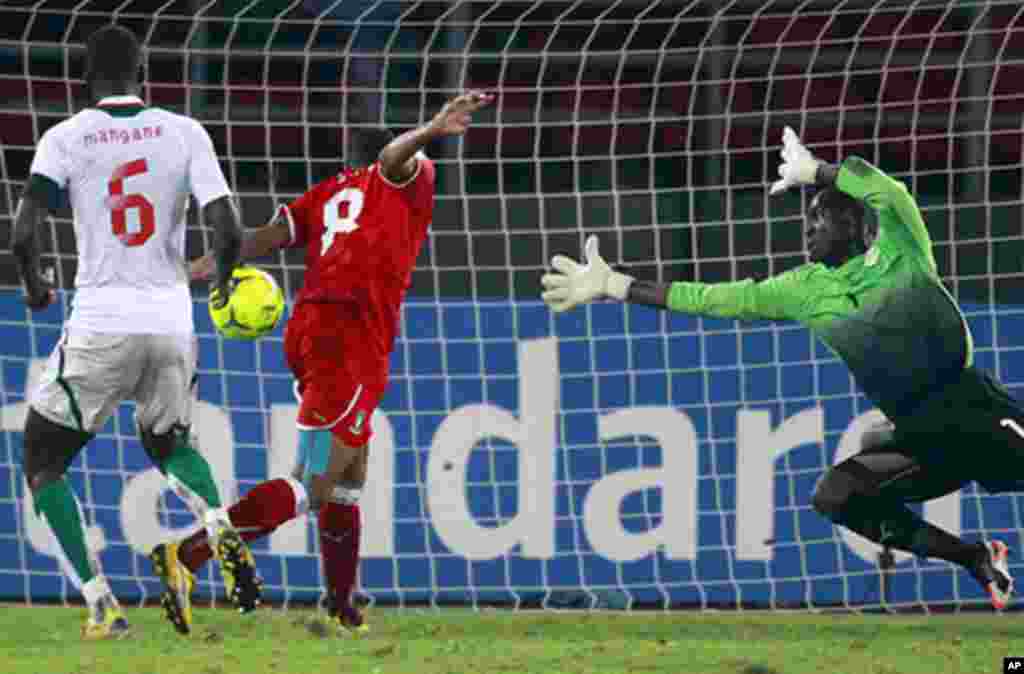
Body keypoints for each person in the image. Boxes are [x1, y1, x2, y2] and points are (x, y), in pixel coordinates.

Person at [541, 126, 1016, 610]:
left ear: (855, 226)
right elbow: (712, 300)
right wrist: (615, 284)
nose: (808, 229)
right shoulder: (801, 290)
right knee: (836, 495)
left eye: (820, 219)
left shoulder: (903, 252)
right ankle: (973, 557)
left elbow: (889, 191)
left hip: (975, 410)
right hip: (923, 436)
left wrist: (817, 172)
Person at [149, 91, 495, 636]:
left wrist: (197, 268)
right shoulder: (405, 176)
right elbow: (394, 162)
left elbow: (260, 238)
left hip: (316, 332)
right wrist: (429, 131)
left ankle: (340, 604)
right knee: (311, 482)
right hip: (348, 337)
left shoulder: (330, 191)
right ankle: (188, 554)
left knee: (348, 476)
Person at [11, 24, 262, 640]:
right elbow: (226, 227)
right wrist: (224, 285)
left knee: (44, 457)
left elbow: (24, 227)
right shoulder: (185, 132)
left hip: (102, 318)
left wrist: (36, 280)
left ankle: (101, 605)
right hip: (172, 320)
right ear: (143, 73)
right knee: (170, 444)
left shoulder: (65, 138)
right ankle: (218, 525)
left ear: (86, 78)